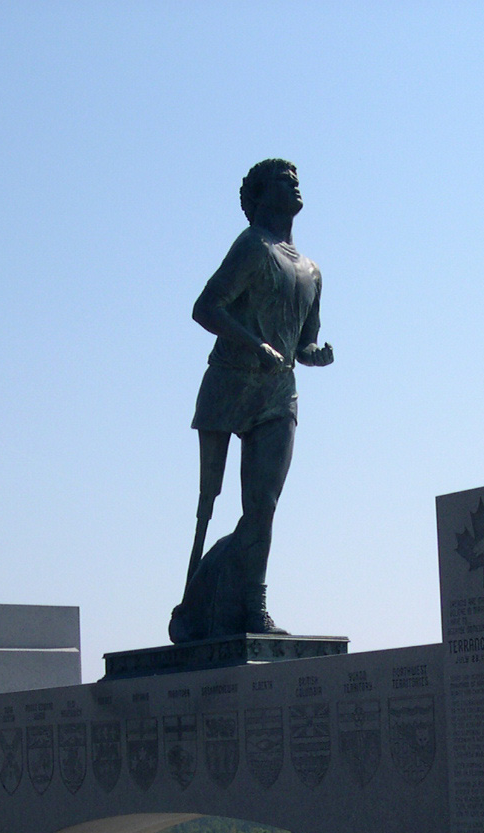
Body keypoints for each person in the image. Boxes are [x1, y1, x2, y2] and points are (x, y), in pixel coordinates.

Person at [172, 158, 334, 641]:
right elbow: (206, 308)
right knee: (208, 503)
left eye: (297, 179)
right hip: (230, 383)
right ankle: (201, 603)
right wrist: (255, 344)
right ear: (261, 195)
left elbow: (303, 342)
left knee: (263, 505)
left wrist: (315, 354)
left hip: (278, 394)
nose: (295, 185)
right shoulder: (252, 246)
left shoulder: (311, 271)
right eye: (284, 180)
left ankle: (250, 606)